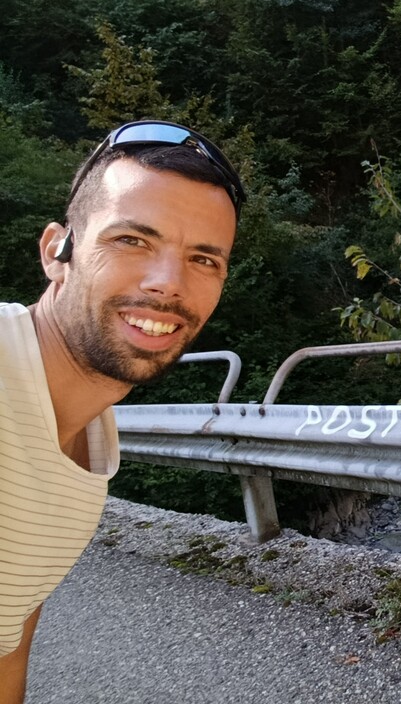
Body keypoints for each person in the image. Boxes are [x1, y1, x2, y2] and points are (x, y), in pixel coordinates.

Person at [0, 121, 245, 702]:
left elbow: (10, 631)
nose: (168, 284)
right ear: (56, 252)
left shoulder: (88, 439)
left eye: (203, 259)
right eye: (132, 240)